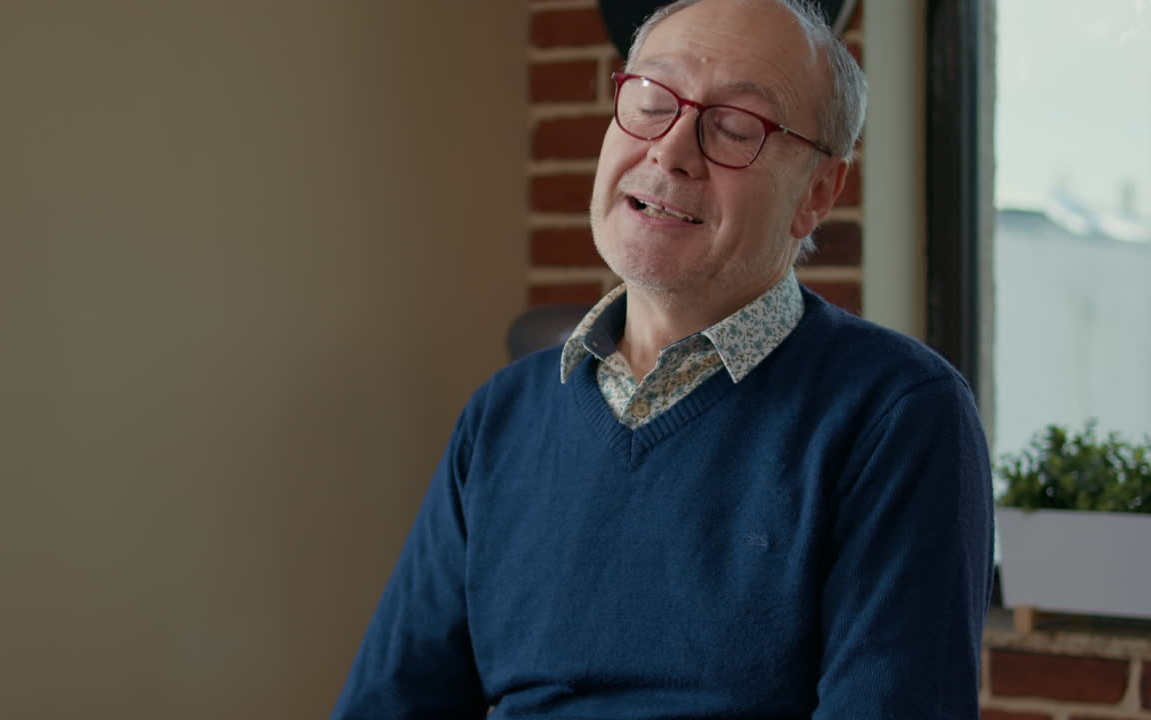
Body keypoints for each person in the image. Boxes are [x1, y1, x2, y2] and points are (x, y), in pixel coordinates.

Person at [331, 0, 994, 717]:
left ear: (817, 194)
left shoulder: (898, 415)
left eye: (736, 128)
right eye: (651, 102)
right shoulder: (502, 415)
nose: (671, 150)